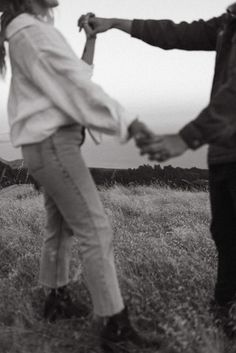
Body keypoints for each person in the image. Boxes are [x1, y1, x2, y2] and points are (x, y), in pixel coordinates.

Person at [0, 0, 160, 351]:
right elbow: (75, 88)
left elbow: (75, 77)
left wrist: (91, 41)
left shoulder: (28, 29)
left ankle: (55, 300)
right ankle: (115, 327)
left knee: (60, 226)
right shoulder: (30, 31)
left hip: (47, 146)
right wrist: (127, 122)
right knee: (95, 227)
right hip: (54, 145)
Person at [80, 3, 236, 323]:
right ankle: (225, 310)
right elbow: (173, 33)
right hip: (223, 153)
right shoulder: (228, 23)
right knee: (224, 233)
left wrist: (185, 139)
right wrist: (115, 23)